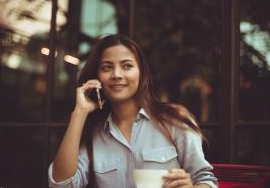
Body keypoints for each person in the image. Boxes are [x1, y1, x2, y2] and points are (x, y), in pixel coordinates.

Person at [48, 34, 217, 188]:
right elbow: (61, 186)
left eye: (127, 66)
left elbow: (205, 179)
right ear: (97, 77)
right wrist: (79, 113)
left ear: (141, 73)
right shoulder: (93, 132)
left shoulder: (174, 119)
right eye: (107, 67)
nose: (117, 75)